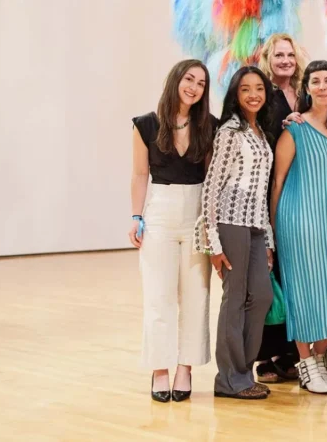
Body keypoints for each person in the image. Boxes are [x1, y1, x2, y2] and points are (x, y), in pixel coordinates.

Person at [131, 60, 216, 402]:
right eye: (189, 79)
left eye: (201, 83)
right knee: (158, 295)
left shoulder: (209, 125)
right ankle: (160, 369)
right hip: (161, 213)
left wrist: (211, 223)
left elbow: (211, 178)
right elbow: (140, 175)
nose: (194, 87)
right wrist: (136, 216)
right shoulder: (146, 125)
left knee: (196, 295)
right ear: (176, 80)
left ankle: (186, 367)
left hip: (197, 212)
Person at [269, 61, 327, 395]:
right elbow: (278, 183)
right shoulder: (295, 130)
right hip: (299, 223)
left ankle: (317, 359)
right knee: (303, 293)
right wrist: (274, 232)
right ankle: (307, 365)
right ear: (306, 88)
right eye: (315, 81)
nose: (321, 86)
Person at [196, 67, 276, 400]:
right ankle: (230, 378)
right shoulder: (230, 131)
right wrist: (212, 242)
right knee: (235, 299)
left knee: (261, 297)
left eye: (259, 88)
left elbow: (260, 190)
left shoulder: (260, 131)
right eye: (246, 89)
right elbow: (212, 187)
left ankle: (242, 370)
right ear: (236, 94)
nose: (254, 94)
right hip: (229, 222)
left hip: (256, 225)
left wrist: (268, 240)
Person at [255, 34, 307, 382]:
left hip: (302, 190)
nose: (285, 60)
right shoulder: (263, 95)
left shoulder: (304, 93)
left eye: (290, 54)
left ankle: (292, 353)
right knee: (269, 275)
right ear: (268, 59)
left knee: (294, 274)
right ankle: (266, 355)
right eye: (279, 55)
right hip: (269, 188)